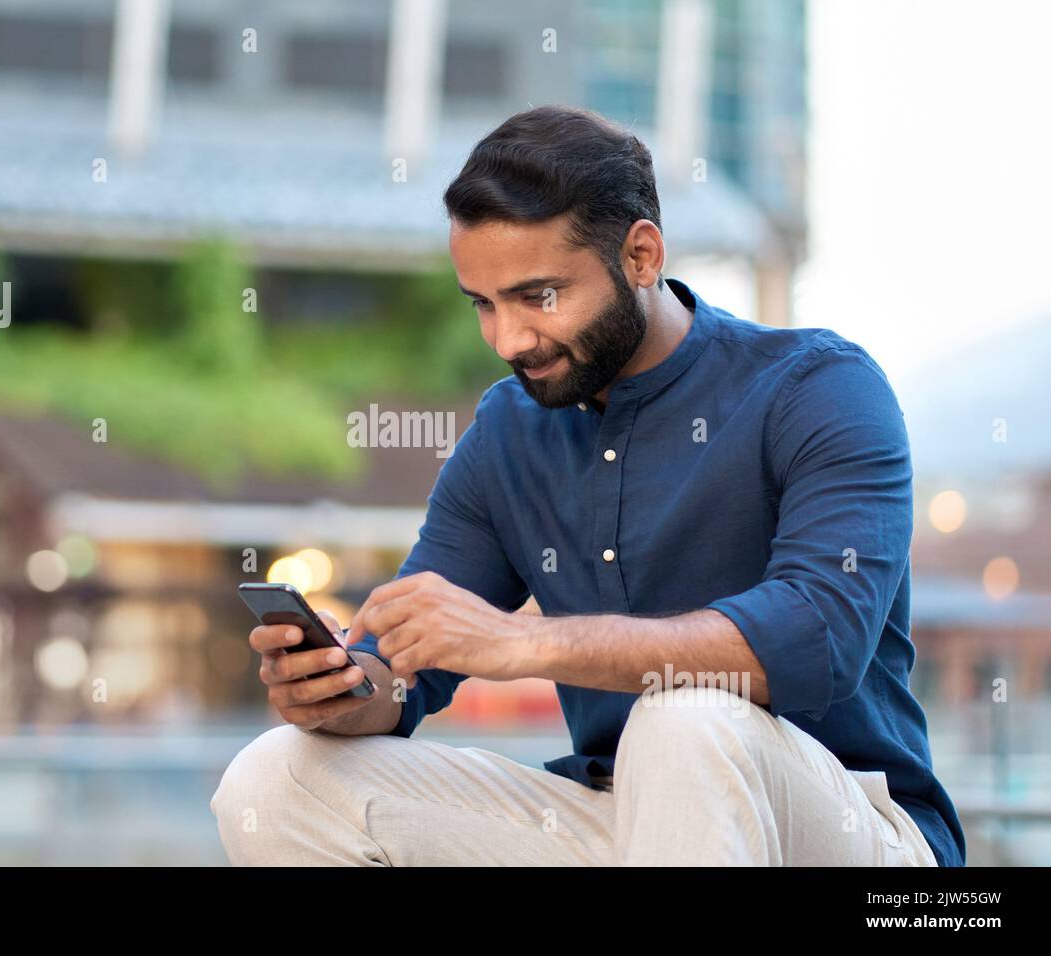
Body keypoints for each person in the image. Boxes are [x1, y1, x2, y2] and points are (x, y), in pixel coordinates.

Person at [210, 105, 965, 867]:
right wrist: (345, 691)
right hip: (623, 825)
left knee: (686, 719)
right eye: (483, 304)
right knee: (275, 780)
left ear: (641, 256)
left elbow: (817, 639)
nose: (509, 340)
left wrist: (524, 642)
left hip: (848, 833)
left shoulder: (819, 388)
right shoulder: (509, 430)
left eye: (538, 297)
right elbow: (405, 667)